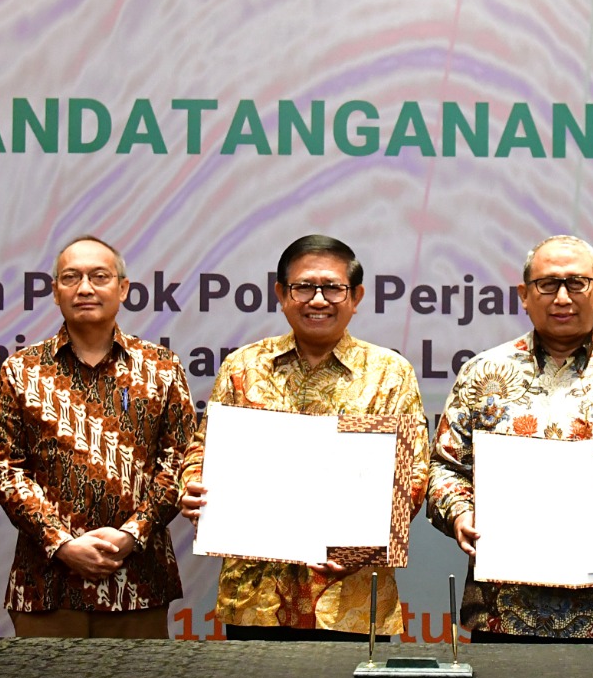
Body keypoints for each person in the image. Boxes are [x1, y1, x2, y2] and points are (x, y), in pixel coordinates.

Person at [428, 235, 593, 642]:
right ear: (524, 295)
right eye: (548, 284)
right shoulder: (482, 374)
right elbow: (446, 467)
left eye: (577, 283)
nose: (563, 297)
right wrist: (461, 514)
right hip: (504, 611)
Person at [180, 234, 427, 639]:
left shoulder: (390, 373)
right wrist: (191, 485)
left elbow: (412, 476)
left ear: (356, 296)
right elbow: (202, 450)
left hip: (351, 599)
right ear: (281, 293)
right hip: (256, 599)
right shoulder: (243, 367)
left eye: (333, 288)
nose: (318, 299)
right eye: (304, 287)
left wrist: (359, 548)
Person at [0, 235, 197, 638]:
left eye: (99, 276)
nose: (85, 288)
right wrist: (62, 543)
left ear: (123, 288)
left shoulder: (161, 367)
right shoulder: (22, 370)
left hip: (136, 581)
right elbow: (7, 470)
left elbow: (180, 463)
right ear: (55, 292)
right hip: (47, 582)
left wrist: (131, 535)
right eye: (71, 277)